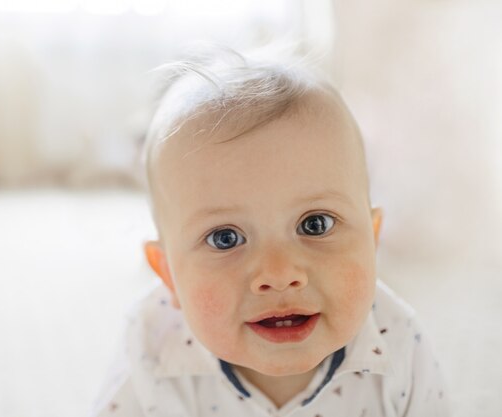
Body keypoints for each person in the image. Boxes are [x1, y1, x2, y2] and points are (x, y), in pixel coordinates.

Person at [90, 48, 449, 416]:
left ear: (371, 241)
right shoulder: (152, 345)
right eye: (224, 238)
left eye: (315, 224)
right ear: (168, 273)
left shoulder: (398, 340)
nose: (279, 275)